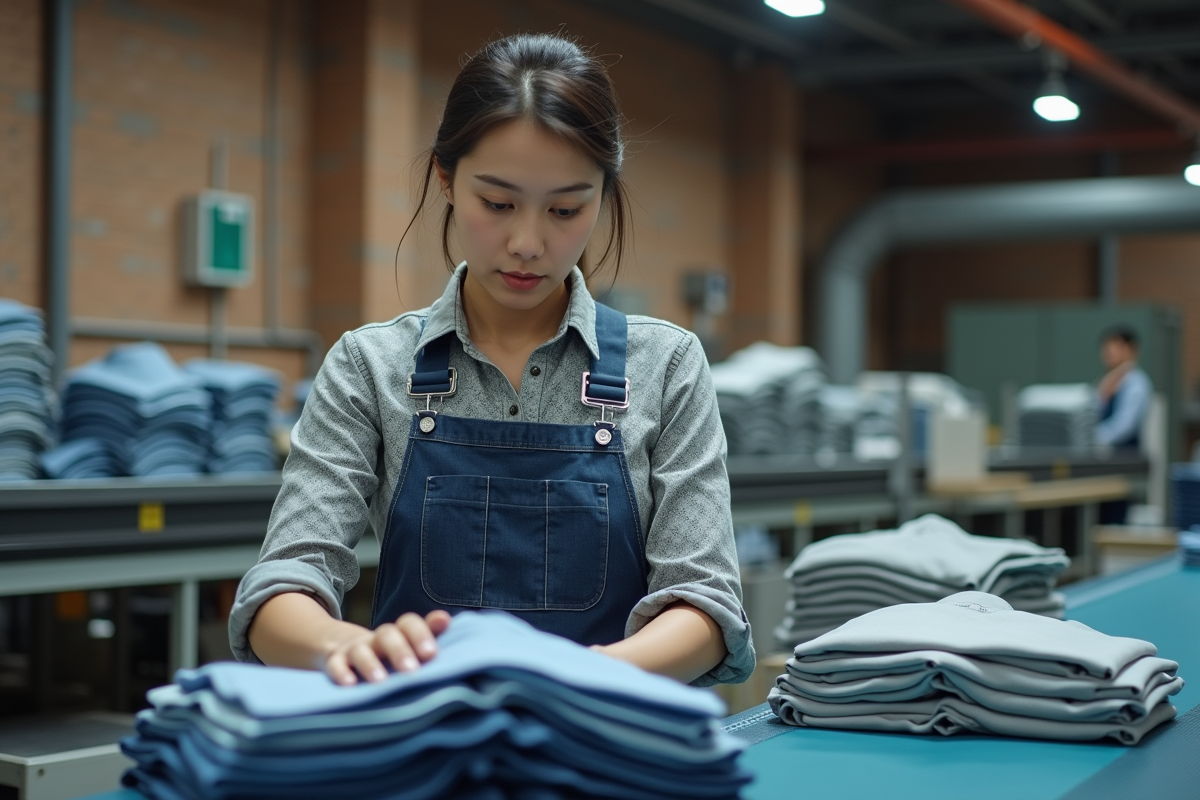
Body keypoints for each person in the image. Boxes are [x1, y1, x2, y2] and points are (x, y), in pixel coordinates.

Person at [229, 33, 753, 689]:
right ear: (446, 179)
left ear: (604, 194)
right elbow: (284, 583)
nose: (527, 242)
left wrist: (574, 682)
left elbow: (704, 601)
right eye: (498, 204)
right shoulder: (371, 365)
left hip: (603, 725)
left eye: (566, 209)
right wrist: (349, 648)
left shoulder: (667, 365)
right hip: (423, 720)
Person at [1094, 326, 1152, 450]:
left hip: (1125, 455)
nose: (1108, 352)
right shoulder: (1107, 380)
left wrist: (1094, 439)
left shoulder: (1136, 383)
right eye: (1106, 348)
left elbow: (1126, 425)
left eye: (1115, 347)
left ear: (1128, 349)